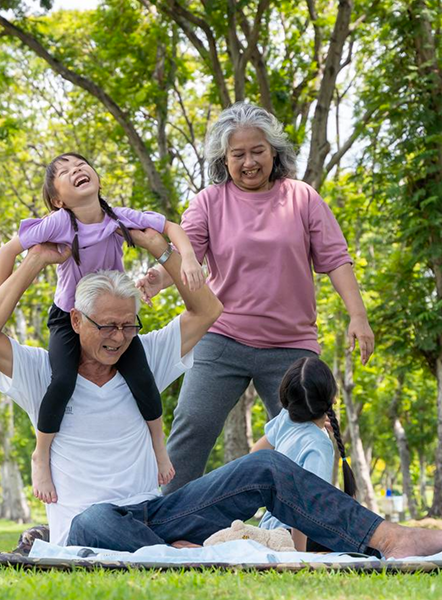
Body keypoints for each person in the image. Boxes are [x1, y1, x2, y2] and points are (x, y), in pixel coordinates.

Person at [0, 227, 442, 556]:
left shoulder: (141, 360)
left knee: (268, 466)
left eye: (128, 326)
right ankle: (192, 556)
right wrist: (33, 262)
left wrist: (164, 250)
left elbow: (206, 311)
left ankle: (389, 538)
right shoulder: (43, 373)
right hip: (90, 531)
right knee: (97, 518)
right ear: (75, 320)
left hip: (157, 514)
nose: (119, 337)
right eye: (106, 327)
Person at [137, 102, 376, 494]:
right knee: (192, 423)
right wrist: (156, 279)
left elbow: (336, 259)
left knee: (310, 435)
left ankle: (310, 524)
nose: (249, 162)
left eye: (257, 151)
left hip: (290, 345)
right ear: (224, 159)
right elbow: (187, 256)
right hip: (223, 337)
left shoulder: (302, 198)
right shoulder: (209, 202)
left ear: (274, 151)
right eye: (238, 154)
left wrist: (358, 316)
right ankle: (165, 519)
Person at [0, 152, 203, 505]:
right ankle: (40, 454)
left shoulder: (118, 217)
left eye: (80, 164)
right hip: (68, 318)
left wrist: (189, 259)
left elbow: (170, 228)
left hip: (113, 317)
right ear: (58, 199)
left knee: (142, 380)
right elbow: (6, 252)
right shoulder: (58, 223)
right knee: (61, 381)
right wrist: (1, 301)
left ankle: (158, 444)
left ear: (96, 178)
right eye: (63, 171)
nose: (75, 169)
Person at [250, 356, 356, 551]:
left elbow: (254, 455)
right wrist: (298, 555)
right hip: (292, 537)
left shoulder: (285, 418)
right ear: (332, 399)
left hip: (270, 526)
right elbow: (304, 510)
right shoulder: (318, 446)